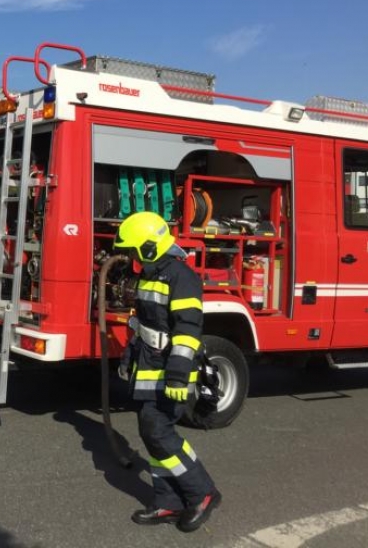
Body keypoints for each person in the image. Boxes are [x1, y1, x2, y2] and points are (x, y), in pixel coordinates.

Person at [113, 211, 222, 533]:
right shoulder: (151, 274)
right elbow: (146, 324)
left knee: (159, 432)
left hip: (171, 371)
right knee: (152, 435)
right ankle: (168, 502)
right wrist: (129, 355)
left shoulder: (181, 277)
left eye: (134, 250)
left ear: (149, 247)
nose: (131, 257)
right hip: (149, 367)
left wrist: (177, 375)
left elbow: (187, 330)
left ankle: (202, 492)